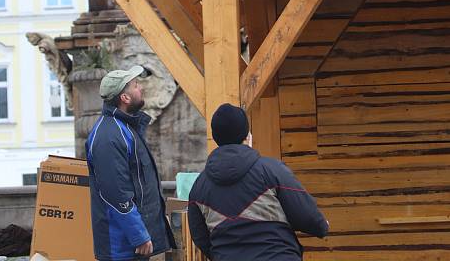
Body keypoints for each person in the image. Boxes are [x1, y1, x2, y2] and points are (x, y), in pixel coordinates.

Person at [188, 103, 328, 261]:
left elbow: (200, 236)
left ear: (215, 137)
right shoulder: (272, 171)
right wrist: (322, 226)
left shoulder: (199, 187)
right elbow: (307, 216)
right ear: (247, 135)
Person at [85, 65, 175, 261]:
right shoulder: (109, 136)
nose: (140, 88)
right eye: (135, 85)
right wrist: (139, 235)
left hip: (131, 244)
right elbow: (116, 193)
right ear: (124, 98)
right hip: (122, 247)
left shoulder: (122, 128)